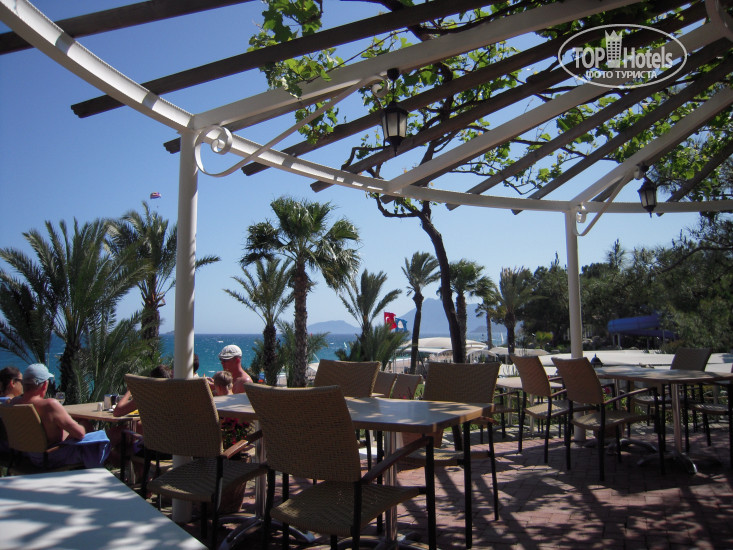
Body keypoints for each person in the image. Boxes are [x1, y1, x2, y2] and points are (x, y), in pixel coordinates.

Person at [12, 363, 110, 468]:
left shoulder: (13, 403)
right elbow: (80, 434)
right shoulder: (49, 405)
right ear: (45, 385)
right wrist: (83, 423)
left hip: (26, 457)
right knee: (90, 428)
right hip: (50, 458)